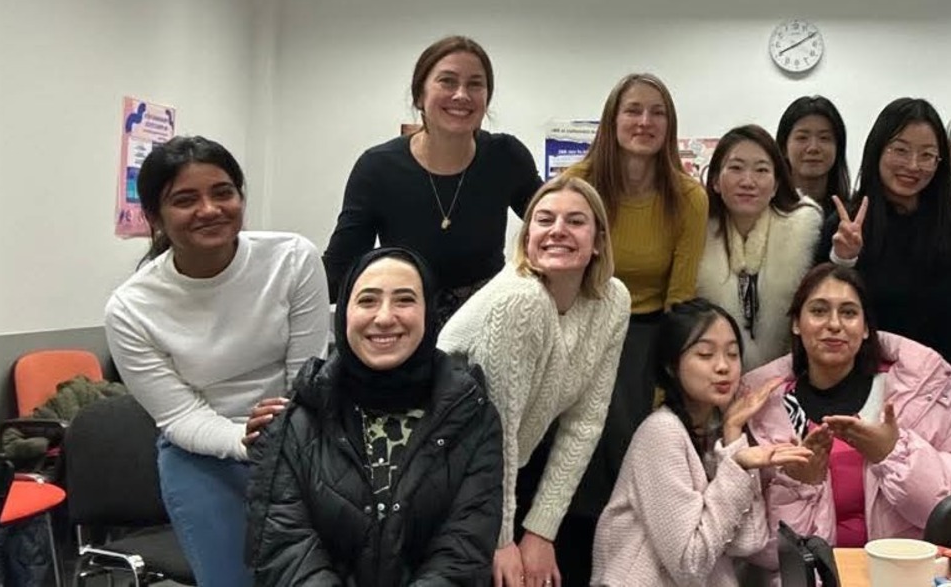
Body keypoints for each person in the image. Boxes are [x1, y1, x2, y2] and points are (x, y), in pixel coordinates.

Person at [104, 135, 329, 587]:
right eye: (185, 200)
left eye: (222, 192)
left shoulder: (292, 258)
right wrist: (245, 441)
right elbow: (179, 415)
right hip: (200, 458)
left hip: (301, 436)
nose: (209, 209)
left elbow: (308, 375)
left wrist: (282, 434)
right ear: (155, 217)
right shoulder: (131, 308)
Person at [246, 247, 502, 585]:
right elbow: (284, 550)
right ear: (343, 315)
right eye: (367, 301)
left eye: (405, 300)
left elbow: (463, 552)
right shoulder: (298, 416)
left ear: (429, 314)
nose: (384, 317)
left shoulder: (472, 415)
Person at [438, 176, 631, 587]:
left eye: (575, 221)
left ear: (598, 241)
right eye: (544, 220)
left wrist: (541, 531)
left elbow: (585, 421)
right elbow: (497, 431)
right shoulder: (520, 300)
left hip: (503, 468)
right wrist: (502, 538)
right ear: (527, 238)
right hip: (443, 471)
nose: (557, 230)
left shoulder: (613, 301)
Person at [559, 73, 709, 583]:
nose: (644, 122)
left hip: (646, 336)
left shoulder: (688, 196)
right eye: (633, 111)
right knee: (572, 451)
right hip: (580, 327)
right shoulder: (577, 183)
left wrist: (671, 378)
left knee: (629, 446)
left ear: (669, 126)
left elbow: (680, 296)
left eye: (657, 113)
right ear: (612, 119)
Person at [744, 264, 951, 557]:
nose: (834, 324)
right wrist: (799, 484)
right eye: (818, 311)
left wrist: (894, 454)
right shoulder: (764, 409)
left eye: (849, 313)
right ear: (796, 324)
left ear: (865, 328)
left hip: (907, 573)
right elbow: (762, 552)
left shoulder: (922, 388)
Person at [592, 299, 811, 586]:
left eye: (732, 354)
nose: (723, 366)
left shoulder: (711, 436)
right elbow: (690, 562)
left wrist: (734, 436)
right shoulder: (661, 433)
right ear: (672, 366)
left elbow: (750, 540)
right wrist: (736, 465)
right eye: (706, 354)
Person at [324, 35, 542, 320]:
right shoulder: (377, 167)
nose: (462, 95)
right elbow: (341, 267)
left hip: (487, 321)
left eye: (475, 84)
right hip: (407, 322)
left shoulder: (506, 156)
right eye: (447, 81)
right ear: (419, 95)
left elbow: (551, 223)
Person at [820, 98, 951, 385]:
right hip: (864, 385)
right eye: (900, 150)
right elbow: (823, 311)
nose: (913, 165)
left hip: (942, 389)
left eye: (927, 155)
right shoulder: (846, 225)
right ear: (877, 150)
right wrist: (844, 259)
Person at [697, 125, 823, 370]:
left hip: (791, 378)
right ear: (715, 181)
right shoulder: (695, 233)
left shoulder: (805, 232)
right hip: (713, 378)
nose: (748, 181)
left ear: (776, 185)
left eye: (762, 170)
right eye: (735, 168)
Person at [776, 96, 851, 204]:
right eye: (802, 138)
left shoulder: (854, 212)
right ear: (784, 148)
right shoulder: (764, 209)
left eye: (824, 138)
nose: (813, 148)